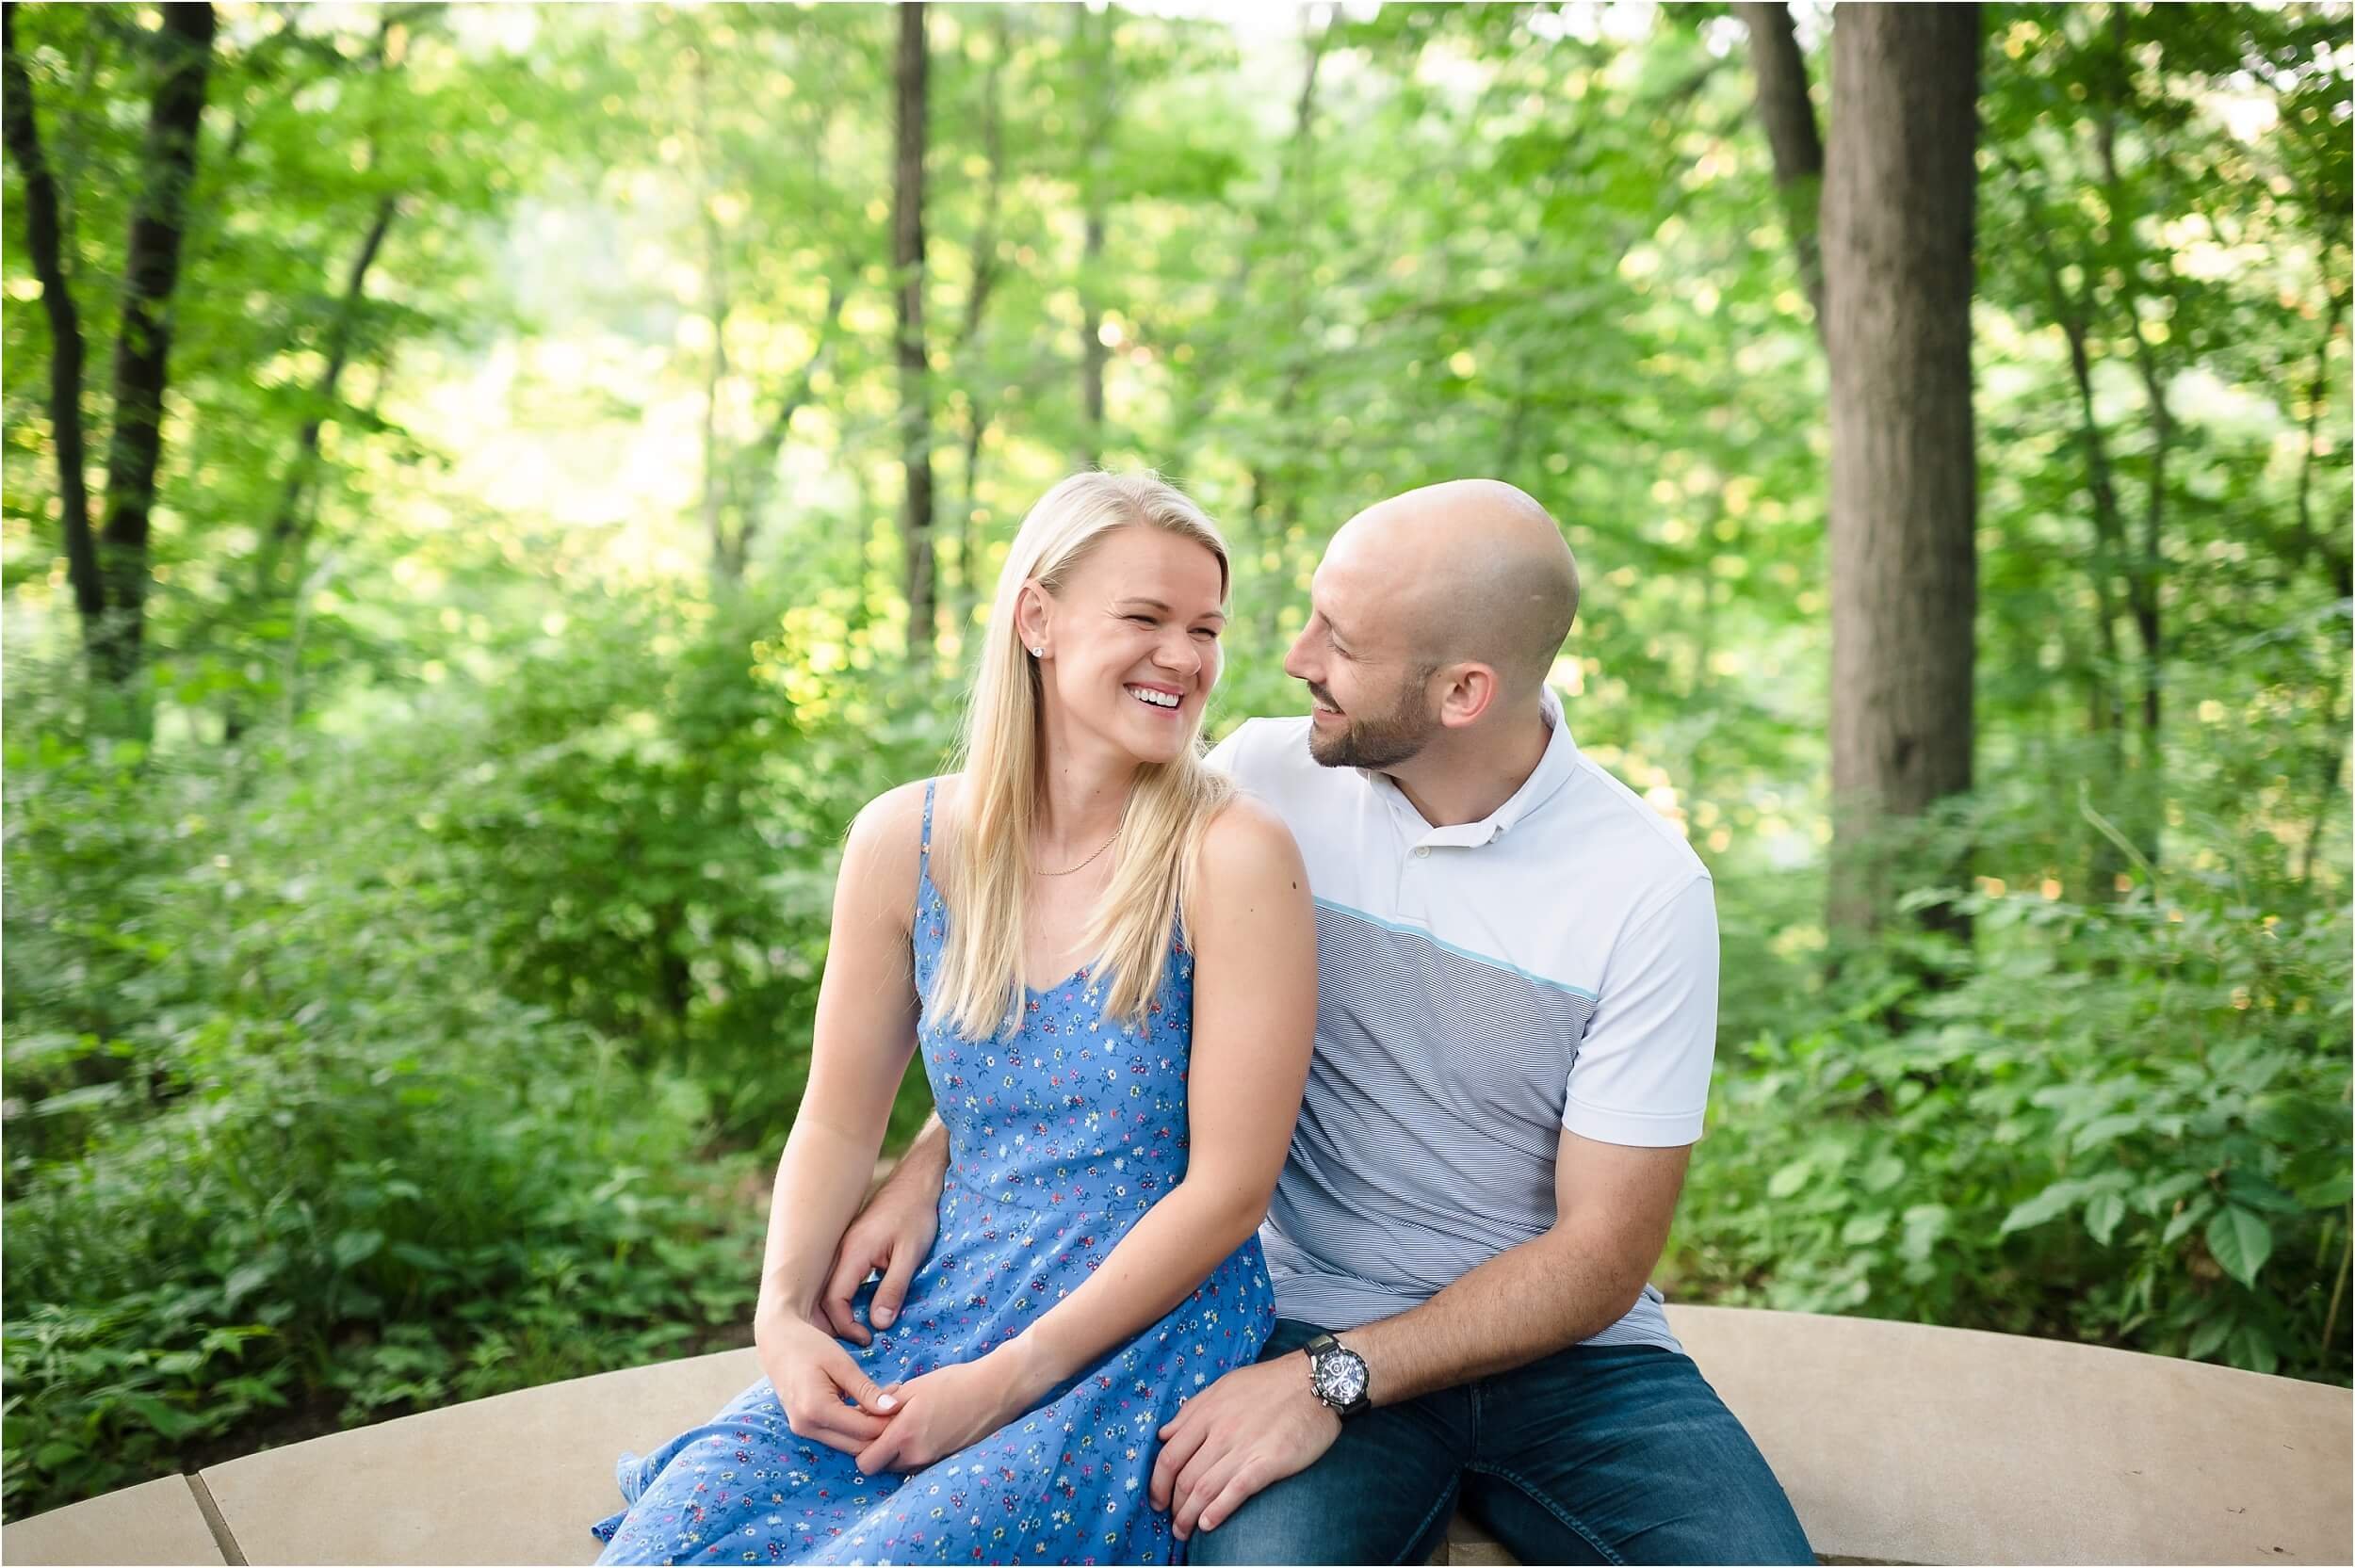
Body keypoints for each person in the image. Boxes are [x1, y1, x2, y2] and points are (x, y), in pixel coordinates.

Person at [836, 479, 1813, 1564]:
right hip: (1300, 1309)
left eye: (1339, 640)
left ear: (1461, 693)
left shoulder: (1643, 890)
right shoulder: (1256, 781)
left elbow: (1599, 1257)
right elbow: (1103, 1002)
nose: (1295, 656)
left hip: (1570, 1362)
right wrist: (934, 1153)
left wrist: (1332, 1381)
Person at [592, 472, 1317, 1565]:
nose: (1185, 656)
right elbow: (837, 1122)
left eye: (1205, 628)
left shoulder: (1230, 855)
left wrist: (1005, 1382)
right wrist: (781, 1317)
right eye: (1145, 618)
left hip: (1131, 1335)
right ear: (1037, 620)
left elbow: (1229, 1191)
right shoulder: (906, 842)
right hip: (943, 1295)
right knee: (668, 1542)